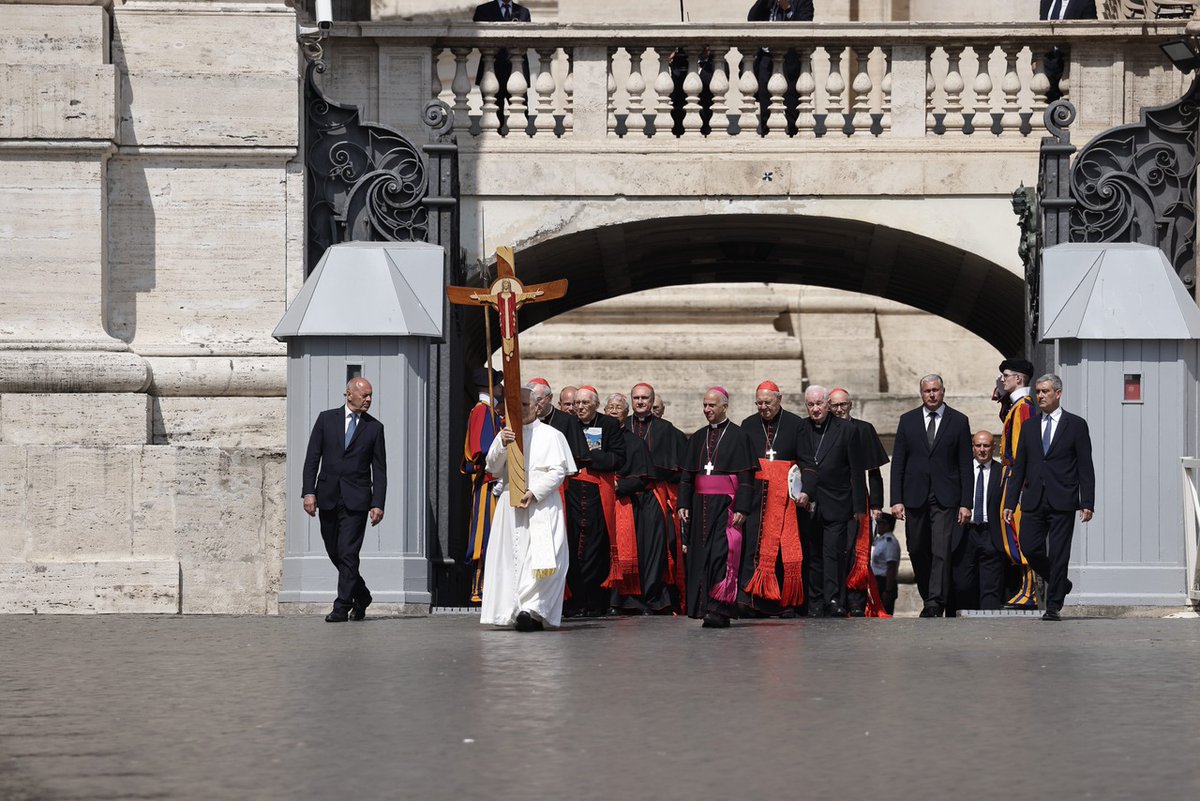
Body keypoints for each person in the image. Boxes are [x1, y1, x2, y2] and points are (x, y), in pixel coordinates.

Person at [480, 384, 577, 631]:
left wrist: (535, 492)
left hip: (542, 506)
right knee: (510, 557)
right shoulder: (506, 433)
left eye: (525, 404)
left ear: (538, 407)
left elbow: (558, 471)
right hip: (511, 504)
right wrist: (501, 443)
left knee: (544, 557)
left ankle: (534, 609)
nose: (521, 409)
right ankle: (510, 609)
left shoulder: (552, 435)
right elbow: (492, 466)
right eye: (516, 405)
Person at [1003, 374, 1095, 621]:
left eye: (1045, 392)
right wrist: (1010, 502)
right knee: (1030, 547)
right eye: (1038, 392)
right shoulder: (1031, 426)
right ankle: (1060, 582)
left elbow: (1085, 467)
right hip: (1033, 498)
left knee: (1059, 552)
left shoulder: (1076, 425)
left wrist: (1087, 502)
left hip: (1062, 498)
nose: (1040, 396)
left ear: (1058, 394)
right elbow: (1019, 466)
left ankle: (1053, 605)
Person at [302, 377, 387, 622]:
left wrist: (378, 503)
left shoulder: (374, 428)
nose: (369, 399)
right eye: (364, 395)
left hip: (357, 500)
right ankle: (362, 594)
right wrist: (309, 492)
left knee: (349, 553)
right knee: (334, 552)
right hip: (327, 496)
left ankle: (342, 606)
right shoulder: (326, 419)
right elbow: (312, 458)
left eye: (371, 395)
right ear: (349, 394)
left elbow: (379, 470)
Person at [890, 374, 972, 618]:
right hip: (914, 496)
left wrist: (966, 503)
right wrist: (896, 499)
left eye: (936, 390)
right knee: (916, 549)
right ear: (921, 393)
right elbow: (899, 463)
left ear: (943, 391)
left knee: (940, 549)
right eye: (927, 391)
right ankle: (929, 596)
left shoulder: (958, 421)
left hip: (946, 497)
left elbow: (966, 465)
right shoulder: (908, 420)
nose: (932, 395)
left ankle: (935, 602)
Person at [677, 387, 756, 628]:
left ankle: (719, 609)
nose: (707, 410)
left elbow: (746, 478)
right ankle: (702, 607)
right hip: (699, 506)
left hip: (727, 505)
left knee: (722, 554)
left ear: (725, 406)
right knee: (701, 555)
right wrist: (682, 503)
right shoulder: (698, 437)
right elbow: (687, 476)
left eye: (712, 406)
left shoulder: (739, 436)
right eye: (705, 405)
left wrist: (742, 508)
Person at [794, 385, 866, 617]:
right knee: (813, 554)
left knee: (833, 554)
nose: (815, 409)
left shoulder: (846, 429)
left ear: (827, 404)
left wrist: (858, 507)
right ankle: (815, 602)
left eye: (819, 404)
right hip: (809, 503)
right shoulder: (801, 428)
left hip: (838, 501)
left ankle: (833, 600)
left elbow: (856, 470)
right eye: (810, 405)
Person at [739, 380, 805, 617]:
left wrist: (805, 491)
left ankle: (784, 603)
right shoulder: (747, 425)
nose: (763, 407)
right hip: (756, 497)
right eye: (759, 402)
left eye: (767, 402)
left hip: (785, 497)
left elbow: (806, 462)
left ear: (779, 399)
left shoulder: (796, 424)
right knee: (752, 547)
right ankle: (751, 601)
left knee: (784, 549)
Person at [605, 393, 672, 613]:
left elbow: (644, 477)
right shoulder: (595, 438)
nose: (614, 410)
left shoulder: (635, 442)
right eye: (610, 407)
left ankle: (631, 600)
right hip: (602, 504)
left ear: (626, 414)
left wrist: (618, 487)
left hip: (631, 506)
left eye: (618, 408)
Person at [563, 385, 627, 616]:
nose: (579, 407)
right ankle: (573, 600)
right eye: (576, 403)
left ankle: (594, 602)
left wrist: (588, 456)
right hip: (571, 492)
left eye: (584, 403)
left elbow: (617, 458)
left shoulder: (608, 424)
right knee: (572, 545)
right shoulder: (568, 424)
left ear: (596, 405)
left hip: (598, 493)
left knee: (595, 547)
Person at [829, 387, 890, 616]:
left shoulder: (864, 430)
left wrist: (876, 505)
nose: (839, 409)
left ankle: (856, 602)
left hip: (857, 498)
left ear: (850, 405)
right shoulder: (824, 431)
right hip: (831, 499)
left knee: (857, 550)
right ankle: (837, 600)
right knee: (836, 550)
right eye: (834, 405)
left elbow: (873, 472)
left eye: (842, 404)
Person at [629, 382, 686, 610]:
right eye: (636, 398)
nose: (640, 402)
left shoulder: (667, 429)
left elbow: (676, 468)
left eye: (644, 398)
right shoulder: (622, 427)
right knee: (629, 546)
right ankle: (628, 598)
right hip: (627, 496)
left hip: (653, 495)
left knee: (654, 547)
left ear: (652, 402)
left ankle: (653, 596)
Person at [996, 358, 1040, 609]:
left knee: (1020, 533)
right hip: (1013, 476)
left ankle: (1029, 591)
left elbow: (1022, 451)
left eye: (1007, 375)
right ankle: (1025, 588)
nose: (1003, 380)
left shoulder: (1023, 407)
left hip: (1018, 479)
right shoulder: (1016, 406)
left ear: (1019, 379)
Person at [949, 431, 1007, 614]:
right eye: (978, 445)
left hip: (992, 534)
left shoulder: (1002, 472)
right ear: (972, 447)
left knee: (991, 587)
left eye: (987, 446)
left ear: (994, 448)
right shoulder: (960, 471)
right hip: (965, 533)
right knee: (963, 584)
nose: (982, 450)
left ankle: (988, 628)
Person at [461, 367, 504, 603]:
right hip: (489, 481)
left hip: (493, 480)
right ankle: (480, 588)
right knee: (486, 535)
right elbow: (483, 450)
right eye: (498, 383)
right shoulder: (482, 412)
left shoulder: (490, 412)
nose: (501, 387)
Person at [747, 0, 814, 135]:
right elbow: (752, 18)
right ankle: (766, 137)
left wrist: (787, 8)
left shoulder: (804, 2)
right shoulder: (768, 3)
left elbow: (805, 27)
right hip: (766, 60)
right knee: (766, 108)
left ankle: (792, 141)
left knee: (792, 111)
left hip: (790, 61)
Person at [472, 1, 532, 131]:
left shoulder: (523, 12)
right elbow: (479, 38)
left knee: (521, 115)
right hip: (492, 71)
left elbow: (526, 40)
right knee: (493, 116)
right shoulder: (483, 10)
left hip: (516, 72)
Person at [1039, 1, 1096, 103]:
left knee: (1072, 105)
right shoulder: (1046, 1)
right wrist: (1035, 58)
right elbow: (1040, 31)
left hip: (1071, 61)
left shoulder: (1086, 2)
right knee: (1046, 105)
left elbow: (1090, 34)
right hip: (1048, 60)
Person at [529, 379, 589, 464]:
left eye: (539, 399)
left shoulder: (569, 420)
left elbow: (577, 456)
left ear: (549, 398)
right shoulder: (524, 421)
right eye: (531, 399)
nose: (535, 403)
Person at [870, 513, 901, 616]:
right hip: (877, 581)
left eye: (881, 524)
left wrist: (888, 590)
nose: (878, 527)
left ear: (887, 526)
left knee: (884, 614)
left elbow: (891, 566)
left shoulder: (890, 542)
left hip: (885, 582)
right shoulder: (880, 540)